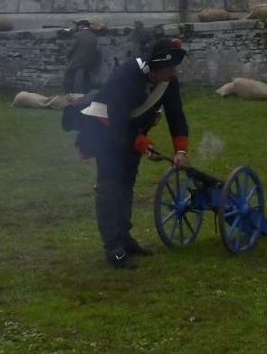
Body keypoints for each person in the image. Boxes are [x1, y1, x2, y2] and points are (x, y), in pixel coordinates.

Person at [74, 37, 190, 270]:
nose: (173, 72)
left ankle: (125, 239)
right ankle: (113, 248)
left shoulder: (167, 81)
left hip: (130, 135)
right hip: (106, 134)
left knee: (126, 185)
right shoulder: (124, 77)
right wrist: (142, 143)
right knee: (109, 188)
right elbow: (114, 119)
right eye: (168, 68)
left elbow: (175, 113)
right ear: (156, 67)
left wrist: (180, 150)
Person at [64, 19, 101, 94]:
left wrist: (67, 57)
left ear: (82, 26)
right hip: (90, 61)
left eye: (79, 26)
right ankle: (86, 92)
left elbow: (71, 48)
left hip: (77, 61)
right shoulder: (93, 35)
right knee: (86, 79)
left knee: (69, 77)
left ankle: (69, 94)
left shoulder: (78, 35)